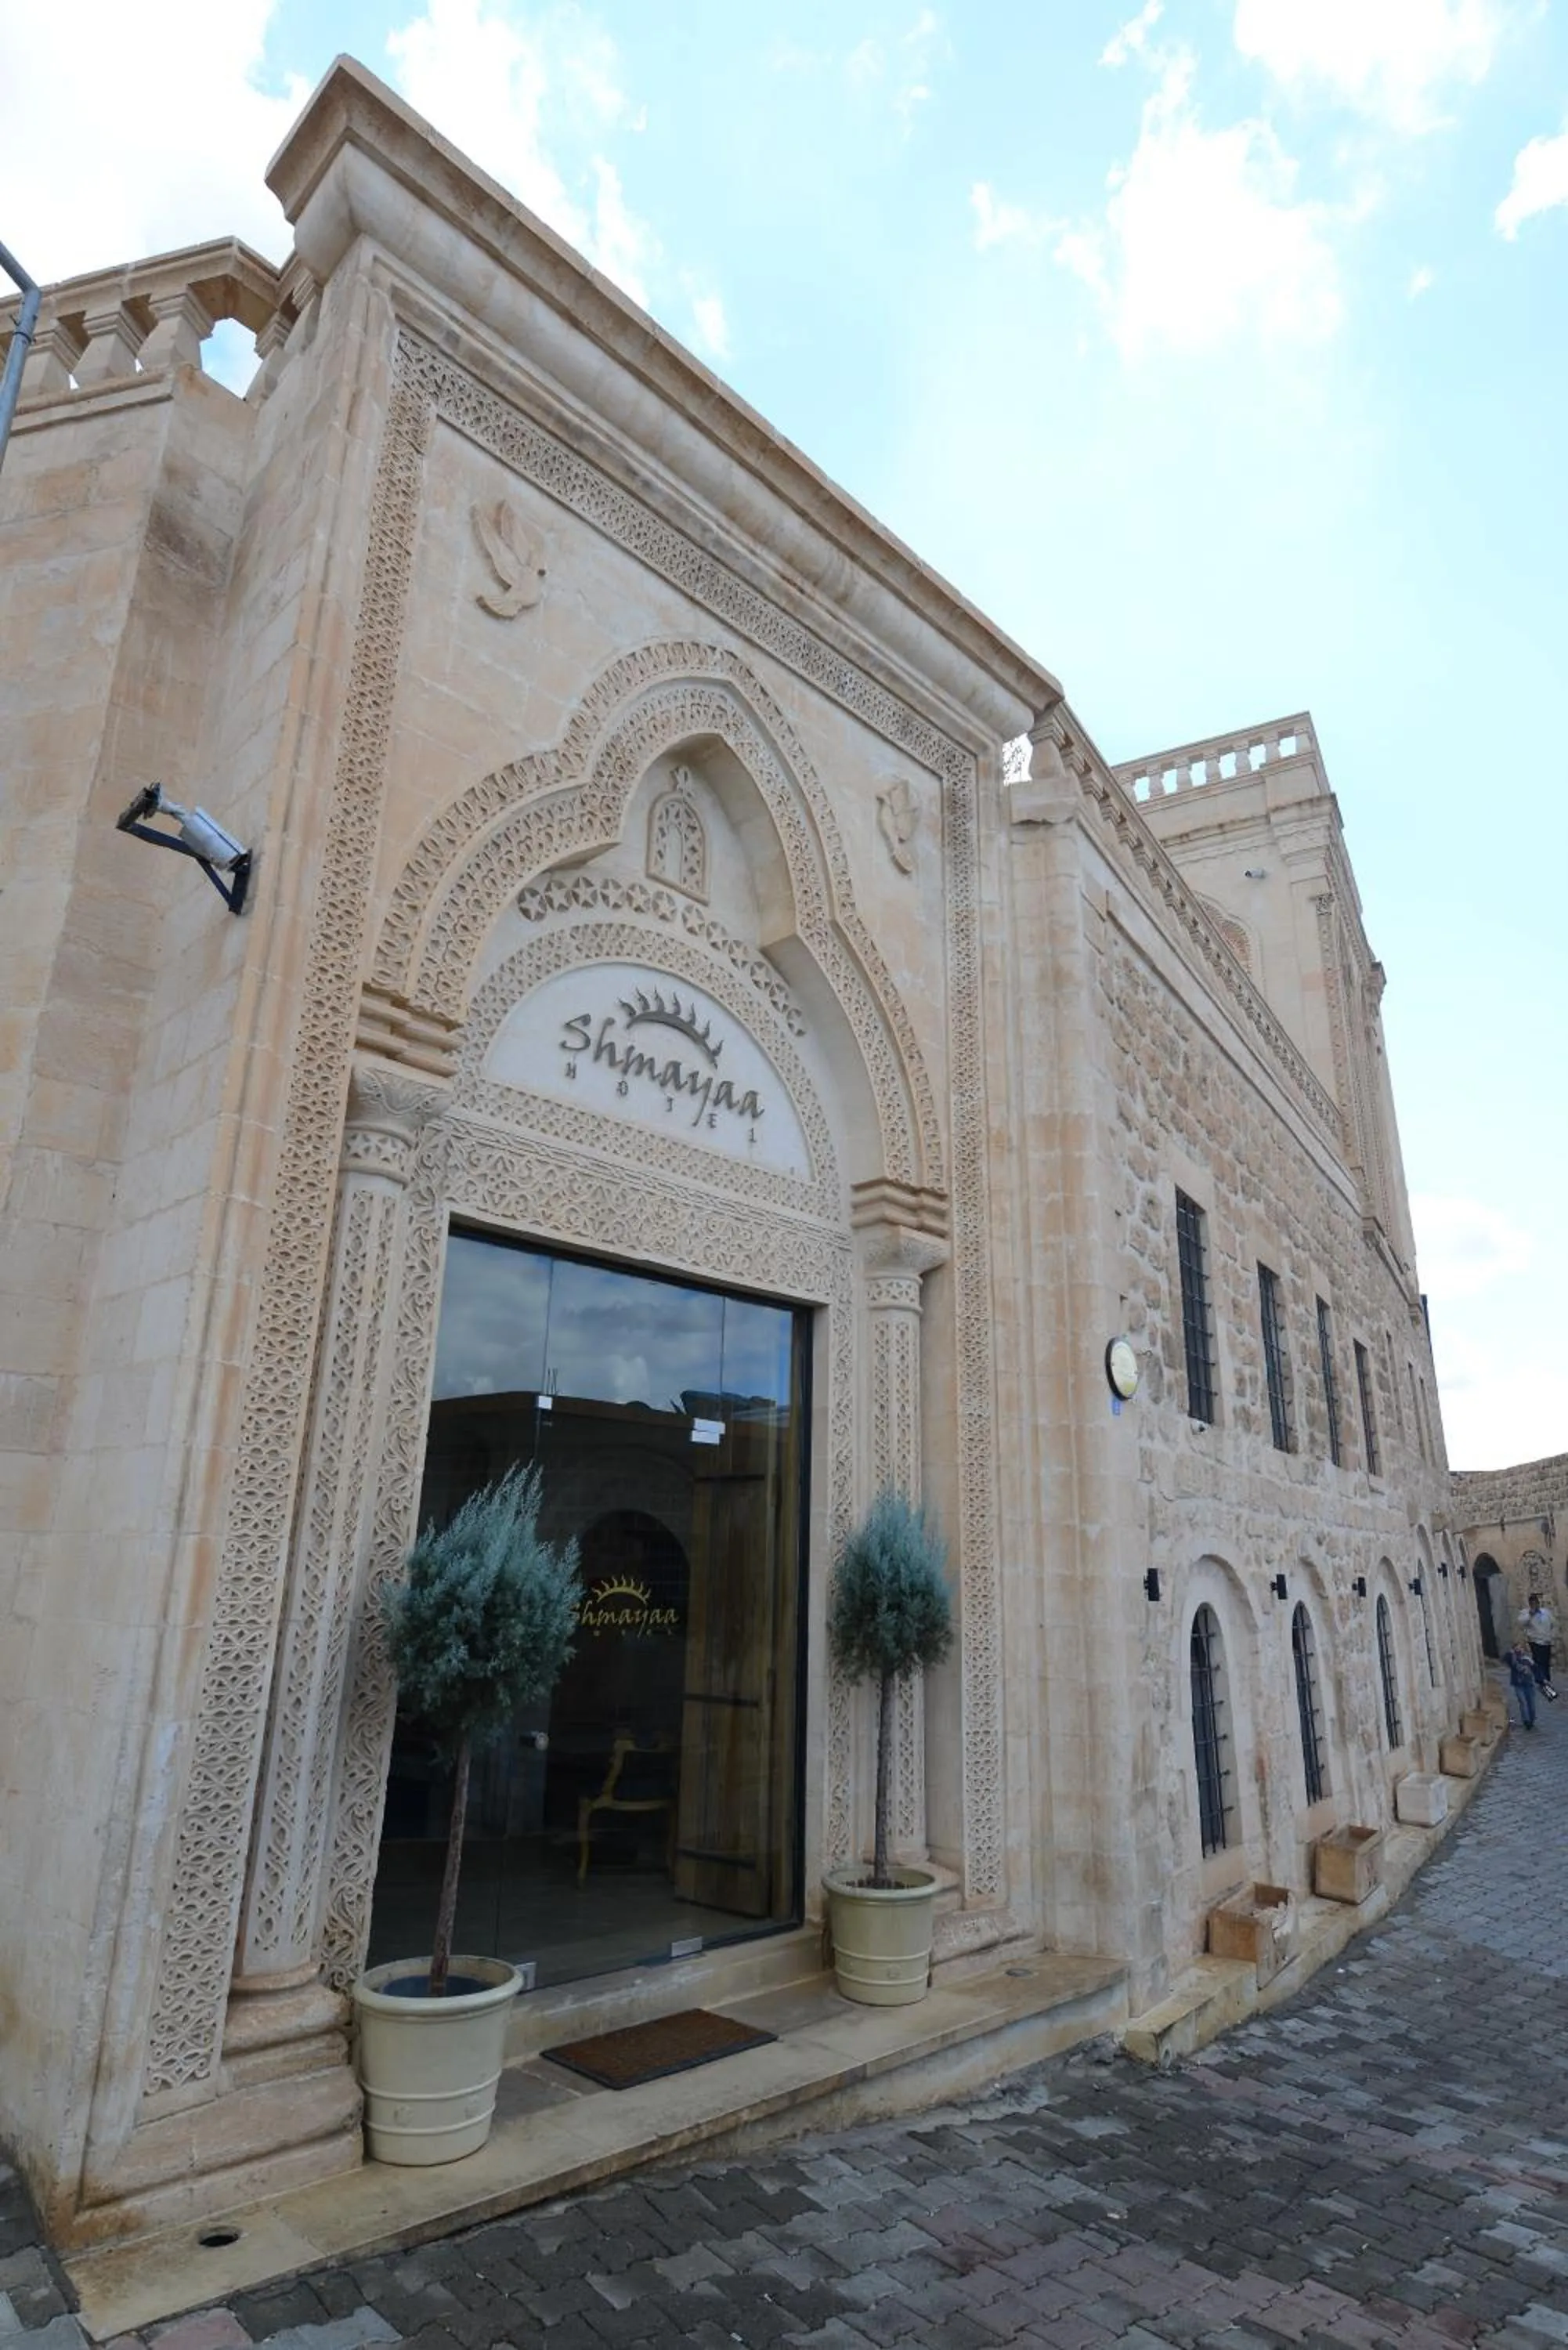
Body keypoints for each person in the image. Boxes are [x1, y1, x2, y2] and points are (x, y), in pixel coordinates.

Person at [1519, 1593, 1558, 1701]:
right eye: (1532, 1603)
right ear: (1530, 1604)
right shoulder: (1526, 1613)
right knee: (1538, 1661)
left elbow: (1553, 1623)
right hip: (1535, 1641)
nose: (1534, 1605)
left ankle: (1546, 1679)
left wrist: (1552, 1635)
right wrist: (1530, 1614)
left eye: (1536, 1603)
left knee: (1546, 1661)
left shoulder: (1546, 1612)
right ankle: (1542, 1681)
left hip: (1546, 1641)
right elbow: (1521, 1622)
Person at [1508, 1642, 1538, 1730]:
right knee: (1523, 1702)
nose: (1519, 1650)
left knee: (1531, 1704)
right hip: (1518, 1685)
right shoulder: (1513, 1659)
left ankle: (1531, 1720)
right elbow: (1512, 1663)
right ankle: (1526, 1721)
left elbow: (1535, 1668)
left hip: (1529, 1684)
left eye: (1520, 1648)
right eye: (1517, 1648)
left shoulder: (1528, 1659)